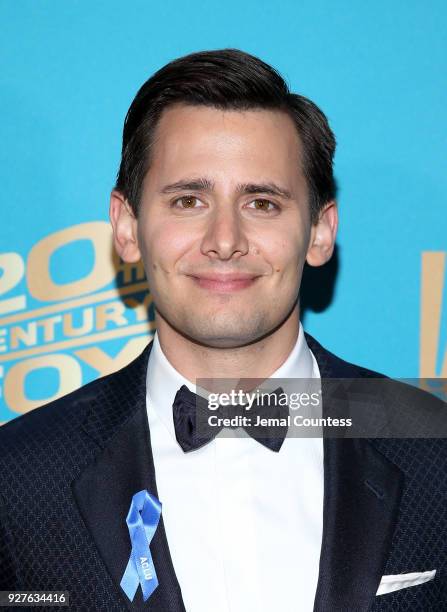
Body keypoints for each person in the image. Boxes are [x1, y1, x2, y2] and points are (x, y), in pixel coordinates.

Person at [0, 48, 446, 612]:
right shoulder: (18, 477)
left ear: (319, 232)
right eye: (189, 200)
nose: (225, 239)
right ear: (128, 227)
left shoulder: (435, 448)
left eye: (262, 202)